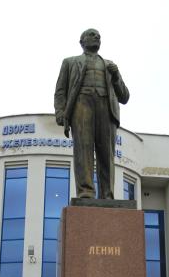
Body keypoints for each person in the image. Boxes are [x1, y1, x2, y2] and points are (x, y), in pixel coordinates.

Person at [54, 28, 130, 199]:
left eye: (98, 36)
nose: (96, 37)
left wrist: (116, 75)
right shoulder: (70, 62)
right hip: (82, 104)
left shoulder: (110, 66)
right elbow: (60, 91)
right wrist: (60, 112)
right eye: (92, 35)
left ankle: (107, 195)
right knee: (83, 149)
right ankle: (86, 192)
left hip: (106, 107)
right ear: (82, 42)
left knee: (106, 153)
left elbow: (124, 97)